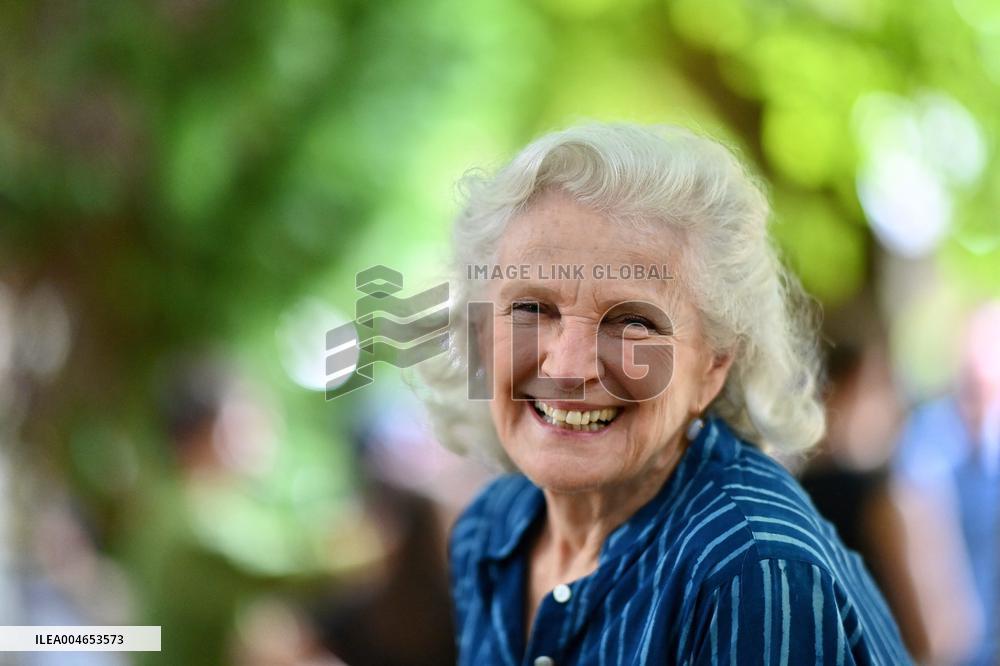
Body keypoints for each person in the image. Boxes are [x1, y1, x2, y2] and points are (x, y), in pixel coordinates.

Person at [416, 123, 911, 664]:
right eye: (532, 309)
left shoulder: (751, 569)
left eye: (632, 322)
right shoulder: (490, 530)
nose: (569, 366)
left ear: (714, 363)